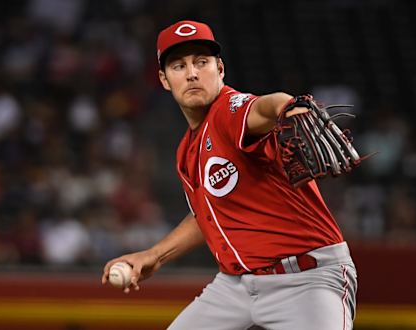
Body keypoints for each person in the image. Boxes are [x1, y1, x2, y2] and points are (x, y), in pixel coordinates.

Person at [102, 20, 358, 330]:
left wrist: (287, 106)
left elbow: (264, 106)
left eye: (201, 62)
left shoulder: (229, 110)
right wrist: (154, 256)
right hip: (236, 287)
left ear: (220, 68)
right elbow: (208, 214)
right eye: (178, 66)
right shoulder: (187, 151)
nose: (192, 73)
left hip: (306, 281)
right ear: (164, 79)